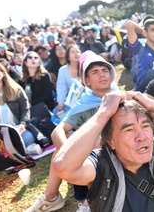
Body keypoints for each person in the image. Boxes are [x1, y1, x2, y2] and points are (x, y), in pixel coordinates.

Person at [51, 88, 154, 211]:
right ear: (110, 141)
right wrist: (103, 113)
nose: (142, 136)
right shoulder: (102, 165)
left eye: (145, 126)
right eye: (129, 130)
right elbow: (63, 166)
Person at [26, 52, 118, 212]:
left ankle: (90, 204)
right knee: (70, 138)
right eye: (95, 72)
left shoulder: (122, 97)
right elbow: (57, 132)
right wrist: (72, 151)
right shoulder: (85, 102)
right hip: (92, 159)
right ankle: (50, 197)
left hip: (117, 152)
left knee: (96, 143)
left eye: (104, 70)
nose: (102, 75)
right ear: (87, 81)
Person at [126, 16, 154, 92]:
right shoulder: (139, 47)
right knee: (152, 73)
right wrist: (142, 31)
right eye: (153, 30)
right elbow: (130, 24)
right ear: (145, 32)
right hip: (143, 91)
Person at [53, 44, 81, 118]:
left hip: (85, 99)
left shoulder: (84, 68)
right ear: (68, 57)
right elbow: (61, 87)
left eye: (77, 52)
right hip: (71, 101)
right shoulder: (62, 70)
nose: (76, 54)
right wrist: (61, 102)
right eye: (73, 52)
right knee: (56, 112)